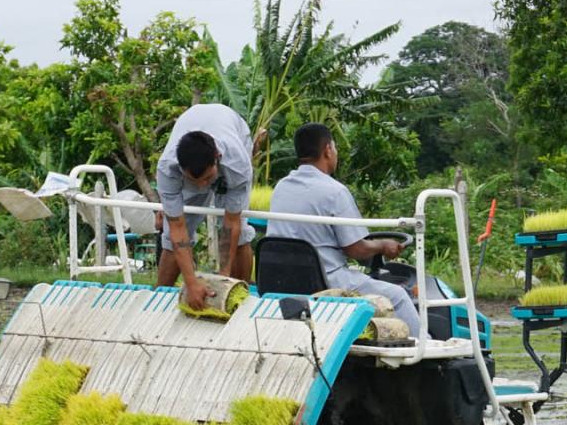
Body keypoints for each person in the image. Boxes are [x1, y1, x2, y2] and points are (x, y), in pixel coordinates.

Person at [268, 123, 420, 332]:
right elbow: (356, 250)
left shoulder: (281, 187)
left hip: (284, 278)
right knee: (398, 296)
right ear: (328, 150)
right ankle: (425, 349)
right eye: (335, 148)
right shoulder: (334, 191)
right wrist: (383, 245)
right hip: (327, 280)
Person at [155, 103, 255, 308]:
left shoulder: (238, 165)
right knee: (168, 236)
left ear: (217, 159)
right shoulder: (167, 169)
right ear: (180, 169)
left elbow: (231, 221)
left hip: (233, 129)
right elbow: (177, 228)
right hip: (191, 125)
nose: (202, 186)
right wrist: (191, 282)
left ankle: (240, 300)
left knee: (241, 232)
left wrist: (223, 280)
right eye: (194, 180)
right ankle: (157, 302)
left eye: (208, 178)